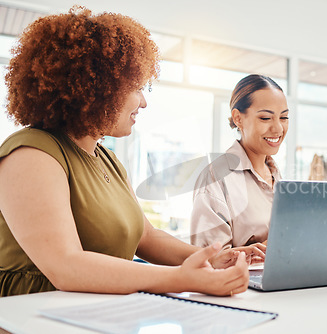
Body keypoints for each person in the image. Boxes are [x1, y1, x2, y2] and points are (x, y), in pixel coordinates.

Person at [0, 6, 257, 297]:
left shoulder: (107, 159)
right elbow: (65, 266)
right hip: (30, 315)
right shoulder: (31, 154)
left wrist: (213, 259)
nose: (143, 102)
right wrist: (183, 280)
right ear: (94, 88)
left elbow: (146, 237)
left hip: (95, 313)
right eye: (135, 88)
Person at [190, 74, 288, 251]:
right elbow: (210, 259)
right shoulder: (215, 178)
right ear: (238, 118)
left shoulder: (276, 174)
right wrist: (271, 247)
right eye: (266, 118)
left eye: (284, 117)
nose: (278, 128)